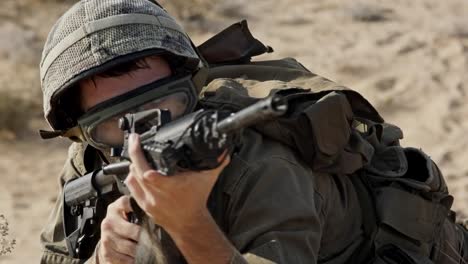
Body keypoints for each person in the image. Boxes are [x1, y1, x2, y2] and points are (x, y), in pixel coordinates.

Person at [39, 0, 468, 264]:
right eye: (118, 123)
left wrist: (188, 224)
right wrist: (102, 257)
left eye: (163, 105)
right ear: (83, 133)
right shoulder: (90, 165)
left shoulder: (262, 165)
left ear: (194, 89)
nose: (144, 134)